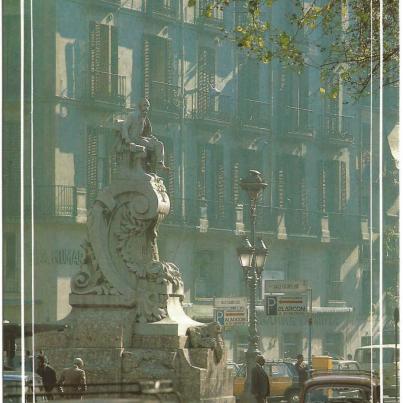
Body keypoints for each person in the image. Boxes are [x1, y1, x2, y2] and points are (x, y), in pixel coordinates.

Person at [120, 98, 168, 173]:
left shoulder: (145, 119)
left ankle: (160, 164)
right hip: (133, 139)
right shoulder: (132, 115)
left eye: (148, 106)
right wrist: (127, 140)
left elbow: (148, 134)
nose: (146, 108)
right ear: (140, 106)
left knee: (159, 144)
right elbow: (125, 127)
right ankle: (140, 170)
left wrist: (154, 139)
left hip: (141, 139)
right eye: (144, 105)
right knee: (145, 148)